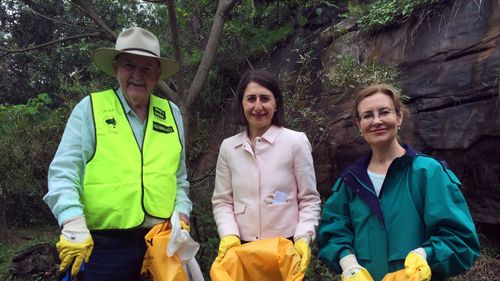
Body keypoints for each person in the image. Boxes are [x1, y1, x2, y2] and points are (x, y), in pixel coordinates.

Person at [43, 26, 192, 280]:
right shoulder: (90, 109)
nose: (137, 75)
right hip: (104, 247)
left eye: (146, 68)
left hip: (162, 243)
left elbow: (179, 178)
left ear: (157, 74)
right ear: (116, 67)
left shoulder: (172, 113)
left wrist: (182, 214)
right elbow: (63, 173)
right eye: (129, 66)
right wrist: (72, 221)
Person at [318, 84, 480, 281]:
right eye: (367, 115)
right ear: (358, 124)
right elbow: (333, 233)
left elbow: (460, 239)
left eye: (384, 112)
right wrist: (349, 266)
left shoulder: (427, 172)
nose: (376, 121)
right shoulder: (350, 181)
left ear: (399, 116)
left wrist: (423, 256)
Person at [211, 69, 321, 275]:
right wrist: (229, 234)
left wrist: (303, 237)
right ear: (242, 103)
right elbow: (222, 201)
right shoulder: (229, 147)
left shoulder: (295, 142)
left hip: (285, 249)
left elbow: (309, 200)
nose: (258, 106)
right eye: (251, 99)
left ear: (276, 103)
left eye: (265, 99)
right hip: (242, 250)